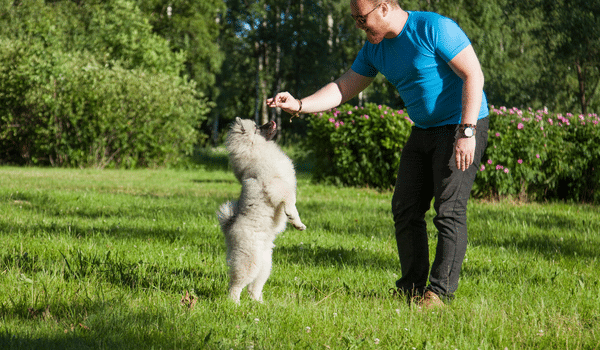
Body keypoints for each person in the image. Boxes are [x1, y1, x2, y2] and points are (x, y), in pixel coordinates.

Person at [267, 0, 489, 309]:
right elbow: (344, 87)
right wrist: (300, 104)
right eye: (355, 20)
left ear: (383, 7)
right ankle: (411, 287)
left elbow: (473, 75)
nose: (359, 25)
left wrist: (467, 132)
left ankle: (438, 294)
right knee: (405, 207)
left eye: (362, 19)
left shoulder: (433, 28)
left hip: (461, 125)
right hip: (424, 129)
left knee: (449, 210)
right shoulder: (375, 49)